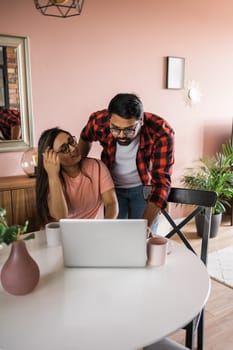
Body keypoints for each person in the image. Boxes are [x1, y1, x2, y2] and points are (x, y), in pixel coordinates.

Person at [78, 93, 175, 232]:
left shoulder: (161, 132)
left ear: (141, 120)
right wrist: (77, 168)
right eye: (115, 129)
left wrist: (145, 226)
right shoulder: (98, 121)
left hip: (143, 189)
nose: (122, 135)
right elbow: (85, 138)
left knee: (142, 240)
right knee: (114, 236)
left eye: (129, 130)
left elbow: (161, 183)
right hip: (112, 188)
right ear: (109, 119)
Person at [36, 127, 118, 225]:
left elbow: (111, 204)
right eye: (64, 148)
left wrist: (105, 226)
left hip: (96, 231)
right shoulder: (51, 179)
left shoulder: (97, 166)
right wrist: (53, 176)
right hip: (64, 233)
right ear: (51, 157)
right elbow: (60, 216)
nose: (73, 148)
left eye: (71, 141)